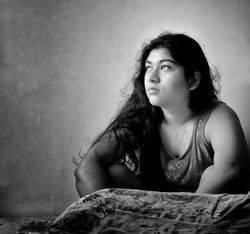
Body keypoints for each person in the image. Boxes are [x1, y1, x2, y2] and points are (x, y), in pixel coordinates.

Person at [74, 32, 249, 197]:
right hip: (156, 208)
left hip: (201, 211)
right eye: (148, 68)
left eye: (165, 67)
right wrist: (103, 216)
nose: (151, 77)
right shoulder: (141, 116)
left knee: (212, 172)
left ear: (193, 80)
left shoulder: (218, 116)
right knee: (113, 172)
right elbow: (87, 166)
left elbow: (230, 170)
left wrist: (183, 218)